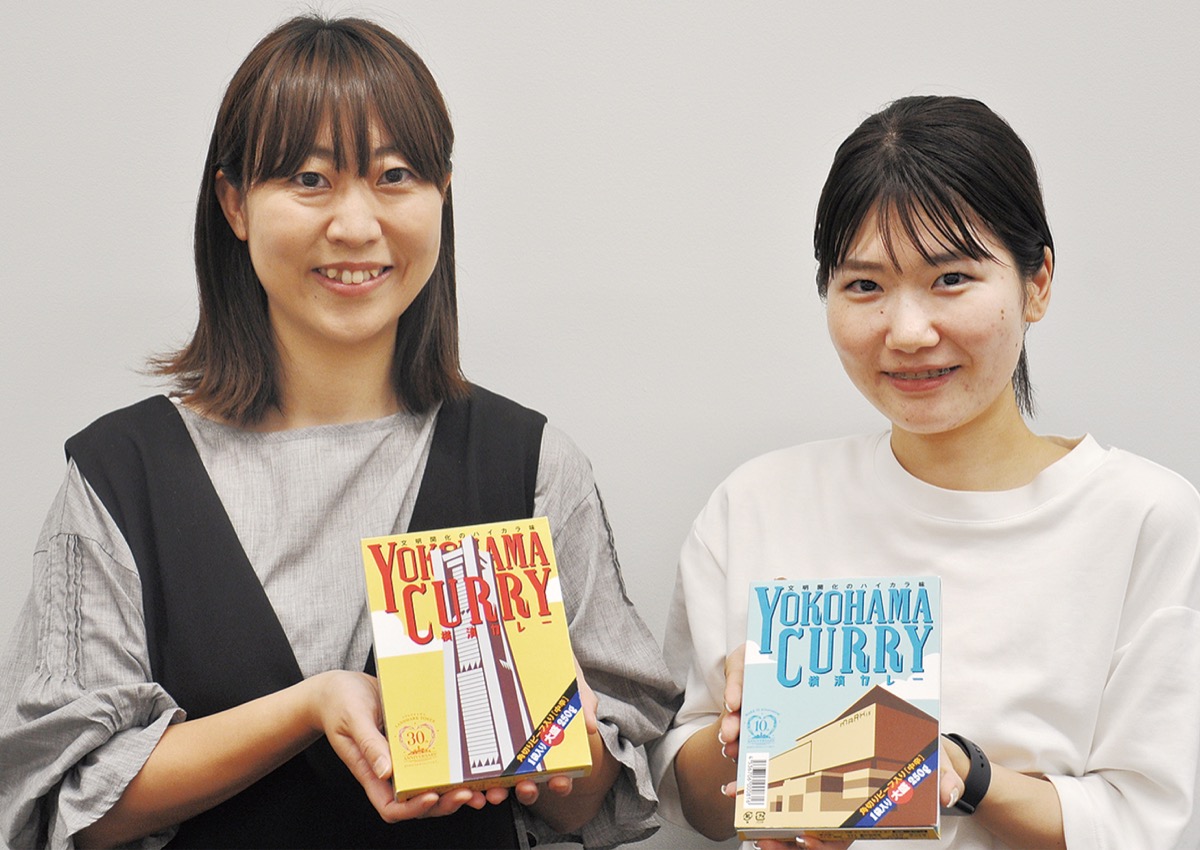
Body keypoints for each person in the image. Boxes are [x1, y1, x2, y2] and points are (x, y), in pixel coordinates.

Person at [0, 15, 678, 850]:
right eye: (310, 179)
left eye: (395, 176)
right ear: (234, 204)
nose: (356, 225)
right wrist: (310, 706)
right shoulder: (121, 477)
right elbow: (62, 801)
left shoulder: (531, 464)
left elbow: (600, 807)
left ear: (442, 195)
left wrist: (559, 733)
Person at [651, 95, 1200, 849]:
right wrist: (745, 737)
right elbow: (687, 799)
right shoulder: (756, 502)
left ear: (1037, 282)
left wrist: (959, 774)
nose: (908, 332)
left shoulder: (1143, 517)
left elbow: (1147, 821)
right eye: (864, 286)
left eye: (951, 279)